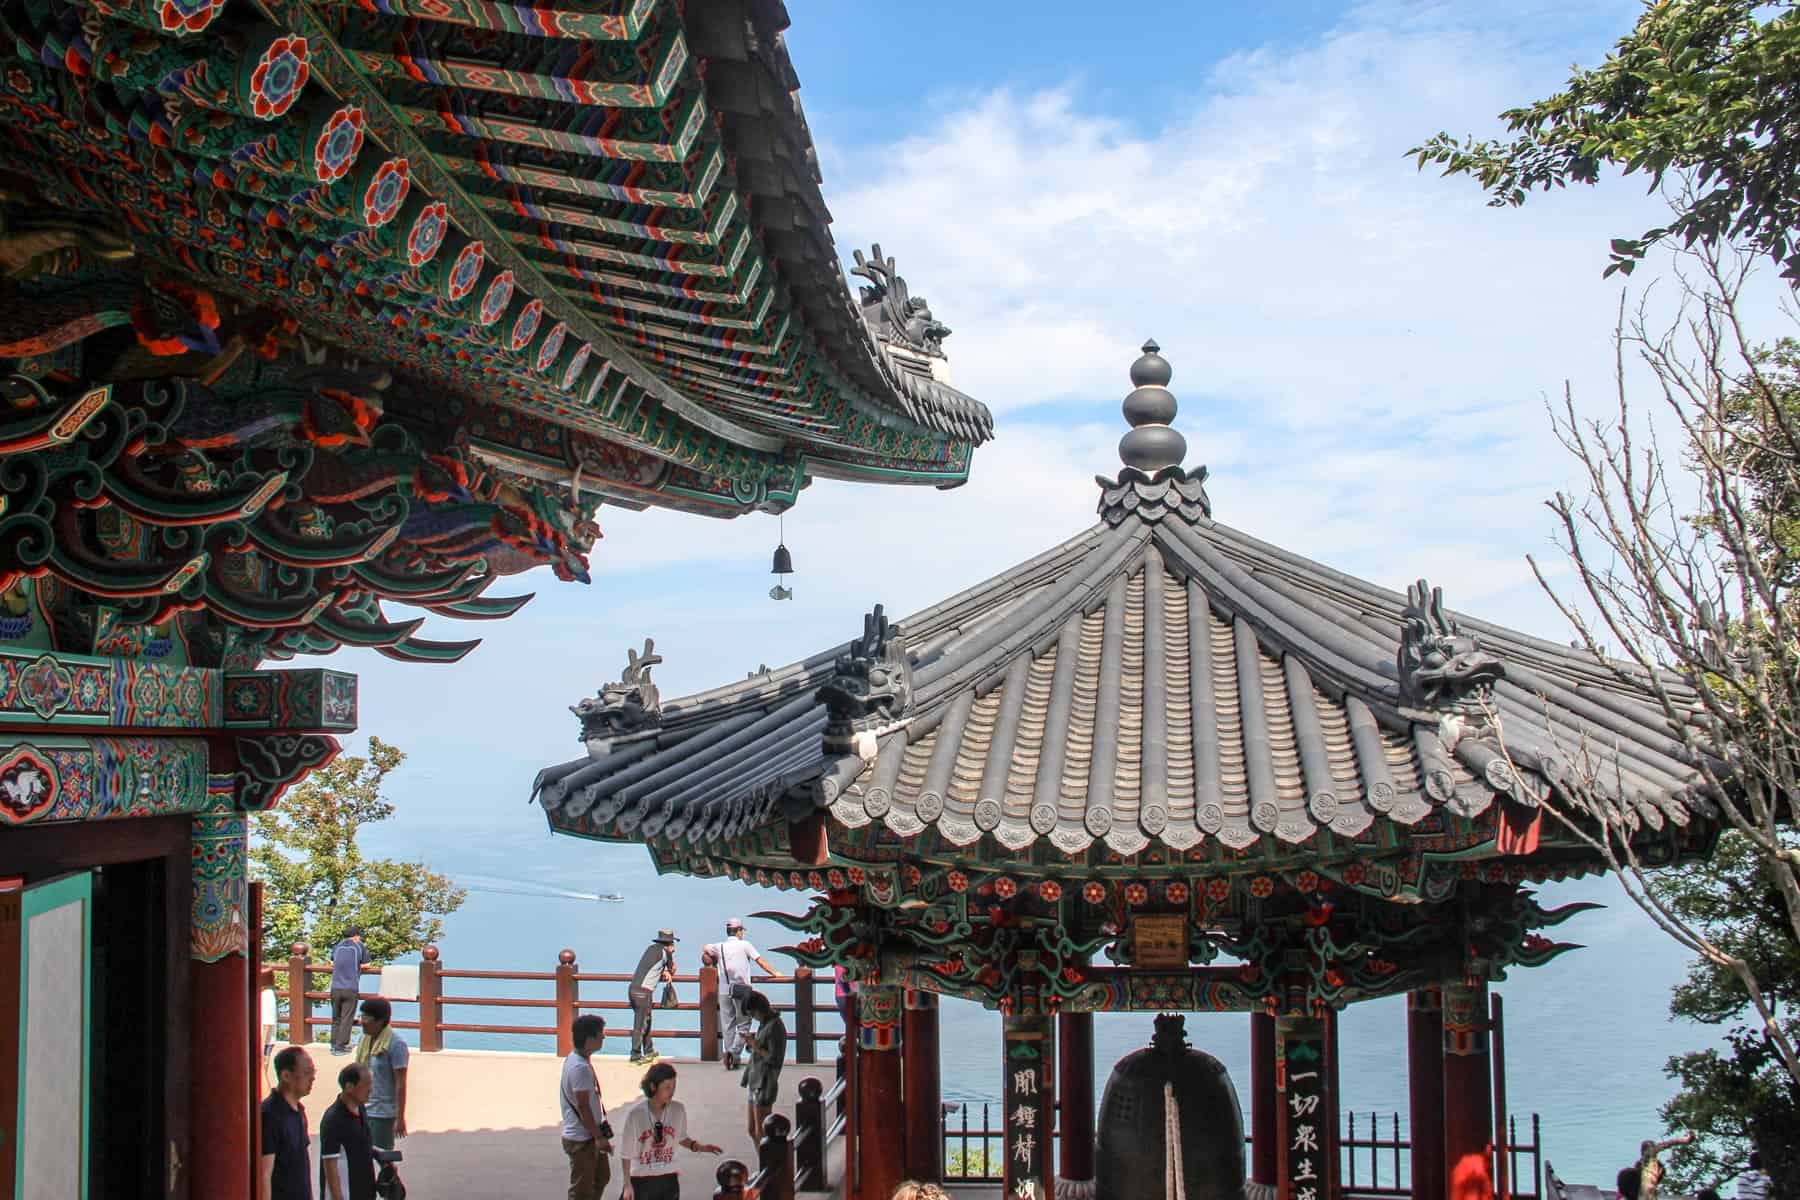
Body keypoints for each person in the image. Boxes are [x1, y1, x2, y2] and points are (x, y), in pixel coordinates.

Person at [619, 1063, 722, 1200]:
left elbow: (681, 1138)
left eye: (674, 1087)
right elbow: (626, 1154)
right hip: (641, 1177)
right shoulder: (635, 1115)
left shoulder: (678, 1110)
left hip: (668, 1177)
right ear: (653, 1086)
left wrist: (700, 1147)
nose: (672, 1092)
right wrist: (627, 1184)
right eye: (667, 1087)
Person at [701, 918, 779, 1069]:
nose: (742, 933)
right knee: (744, 1023)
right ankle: (734, 1053)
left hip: (724, 990)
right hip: (742, 991)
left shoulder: (719, 946)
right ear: (738, 931)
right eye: (742, 930)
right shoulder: (745, 945)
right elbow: (760, 961)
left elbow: (705, 948)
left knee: (728, 1025)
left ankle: (730, 1057)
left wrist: (713, 958)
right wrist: (775, 973)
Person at [560, 1014, 614, 1200]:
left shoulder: (575, 1059)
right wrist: (599, 1137)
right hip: (582, 1139)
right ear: (589, 1040)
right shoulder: (579, 1068)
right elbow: (583, 1107)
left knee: (601, 1177)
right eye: (601, 1035)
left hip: (589, 1134)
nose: (604, 1038)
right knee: (581, 1190)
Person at [260, 1045, 317, 1200]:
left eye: (313, 1072)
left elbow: (303, 1164)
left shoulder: (299, 1110)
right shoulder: (269, 1114)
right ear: (286, 1075)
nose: (312, 1077)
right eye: (307, 1072)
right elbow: (264, 1174)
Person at [355, 996, 409, 1150]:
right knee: (361, 1154)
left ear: (381, 1021)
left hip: (383, 1112)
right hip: (362, 1107)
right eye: (361, 1016)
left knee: (383, 1157)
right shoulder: (362, 1039)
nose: (362, 1022)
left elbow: (400, 1083)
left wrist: (400, 1117)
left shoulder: (396, 1044)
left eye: (367, 1018)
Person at [320, 1061, 377, 1200]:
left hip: (364, 1190)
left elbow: (362, 1144)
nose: (371, 1089)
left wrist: (384, 1159)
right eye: (366, 1085)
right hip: (346, 1194)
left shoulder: (360, 1108)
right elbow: (330, 1166)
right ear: (349, 1087)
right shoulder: (333, 1120)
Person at [739, 990, 786, 1140]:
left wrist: (755, 1045)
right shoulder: (765, 1023)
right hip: (755, 1080)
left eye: (752, 1014)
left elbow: (774, 1058)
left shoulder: (775, 1027)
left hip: (764, 1082)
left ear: (759, 1009)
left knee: (762, 1132)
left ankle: (770, 1163)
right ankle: (764, 1162)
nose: (753, 1017)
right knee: (752, 1130)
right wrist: (753, 1043)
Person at [629, 929, 677, 1064]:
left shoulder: (650, 949)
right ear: (670, 944)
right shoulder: (666, 953)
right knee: (640, 1023)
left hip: (633, 989)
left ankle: (649, 1050)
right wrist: (668, 970)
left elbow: (651, 966)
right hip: (644, 992)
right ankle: (635, 1055)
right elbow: (673, 969)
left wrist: (664, 970)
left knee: (646, 1020)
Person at [328, 929, 368, 1054]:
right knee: (347, 1017)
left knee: (336, 1017)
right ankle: (341, 1046)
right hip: (350, 987)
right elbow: (367, 964)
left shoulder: (337, 946)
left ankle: (334, 1044)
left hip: (335, 987)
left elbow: (331, 962)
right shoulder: (358, 946)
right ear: (355, 937)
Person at [261, 965, 280, 1086]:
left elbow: (268, 1022)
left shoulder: (267, 996)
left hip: (265, 1040)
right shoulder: (264, 993)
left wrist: (261, 1045)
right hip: (263, 1039)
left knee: (261, 1072)